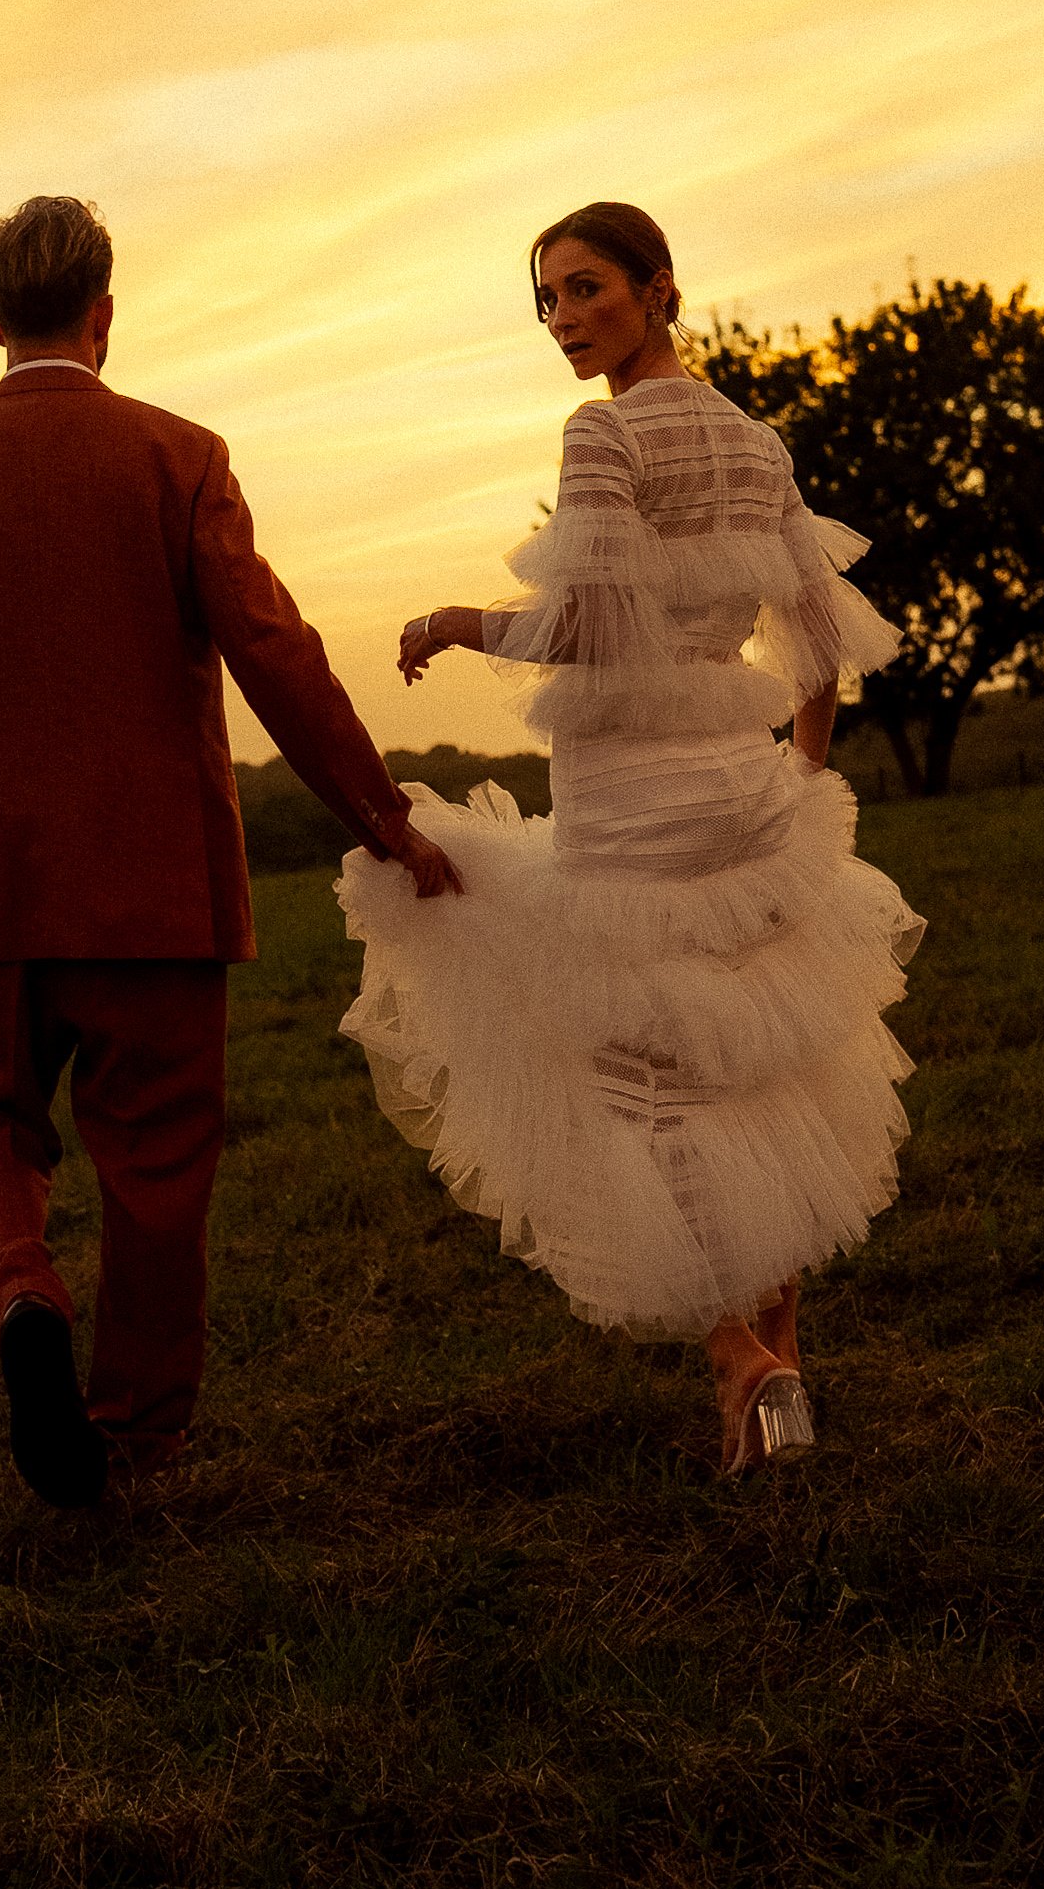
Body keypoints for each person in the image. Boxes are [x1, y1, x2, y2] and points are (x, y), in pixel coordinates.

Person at [0, 195, 460, 1509]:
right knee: (154, 1170)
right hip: (157, 892)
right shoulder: (178, 456)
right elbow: (276, 656)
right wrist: (383, 817)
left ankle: (22, 1286)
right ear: (106, 316)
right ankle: (133, 1438)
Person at [338, 202, 923, 1475]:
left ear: (661, 288)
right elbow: (814, 640)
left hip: (630, 805)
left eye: (586, 289)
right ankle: (780, 1376)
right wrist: (802, 785)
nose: (564, 319)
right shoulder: (755, 442)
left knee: (638, 1084)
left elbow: (587, 628)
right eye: (546, 299)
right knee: (757, 1060)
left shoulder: (601, 432)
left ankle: (738, 1356)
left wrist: (453, 617)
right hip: (743, 785)